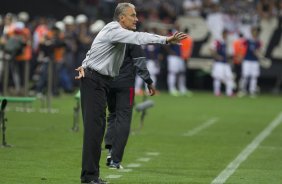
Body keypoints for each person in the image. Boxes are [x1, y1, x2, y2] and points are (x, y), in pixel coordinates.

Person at [75, 3, 187, 184]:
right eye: (132, 15)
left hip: (100, 81)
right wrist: (166, 40)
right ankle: (89, 177)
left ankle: (91, 176)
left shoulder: (114, 32)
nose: (136, 19)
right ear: (121, 18)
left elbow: (95, 50)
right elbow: (140, 37)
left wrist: (85, 64)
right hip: (94, 82)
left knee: (98, 129)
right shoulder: (115, 30)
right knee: (94, 131)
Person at [104, 43, 155, 169]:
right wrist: (148, 81)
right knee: (124, 118)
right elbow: (140, 63)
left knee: (113, 115)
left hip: (108, 81)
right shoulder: (132, 39)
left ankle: (110, 150)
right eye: (134, 21)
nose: (135, 21)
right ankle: (115, 160)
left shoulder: (110, 36)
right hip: (125, 84)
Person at [238, 27, 262, 98]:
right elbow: (241, 47)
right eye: (253, 32)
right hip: (247, 60)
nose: (255, 33)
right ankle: (243, 90)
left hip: (255, 61)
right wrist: (240, 56)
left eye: (256, 32)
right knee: (245, 76)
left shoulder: (258, 42)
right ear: (251, 33)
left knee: (254, 77)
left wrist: (257, 53)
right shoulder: (247, 41)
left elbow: (260, 51)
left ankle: (252, 91)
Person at [210, 29, 234, 97]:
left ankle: (229, 92)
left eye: (227, 34)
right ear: (222, 34)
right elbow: (211, 49)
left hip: (225, 62)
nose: (226, 35)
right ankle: (217, 92)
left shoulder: (226, 42)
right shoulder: (217, 41)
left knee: (229, 77)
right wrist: (216, 56)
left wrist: (229, 57)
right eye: (225, 33)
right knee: (218, 78)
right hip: (218, 63)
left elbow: (228, 53)